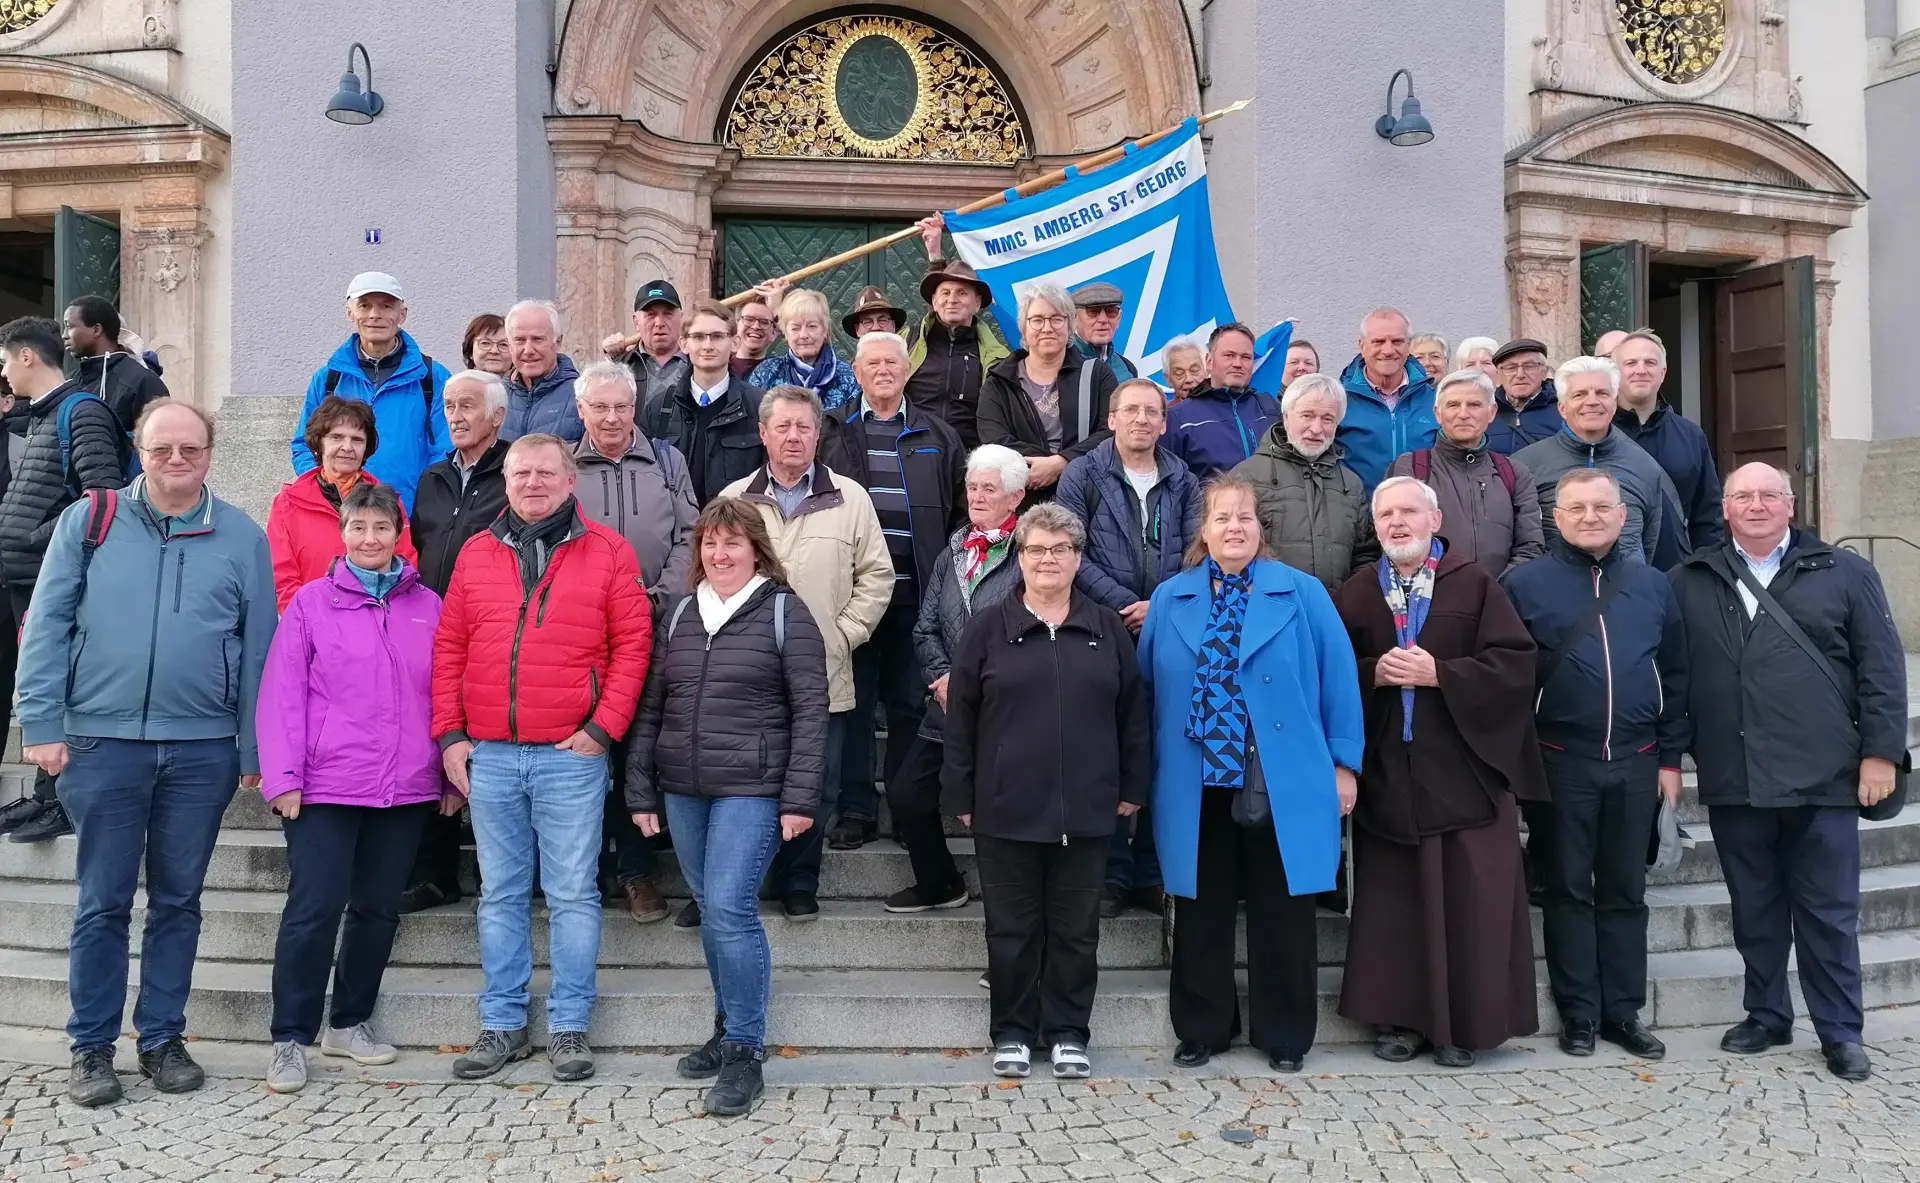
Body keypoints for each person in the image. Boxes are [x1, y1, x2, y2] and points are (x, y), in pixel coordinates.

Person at [15, 399, 276, 1108]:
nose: (176, 460)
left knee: (179, 900)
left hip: (201, 751)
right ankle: (91, 1046)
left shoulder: (242, 538)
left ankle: (161, 1037)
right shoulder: (90, 522)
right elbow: (46, 625)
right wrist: (39, 721)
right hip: (101, 744)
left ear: (209, 454)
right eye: (162, 449)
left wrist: (253, 744)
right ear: (140, 450)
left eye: (189, 448)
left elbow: (259, 654)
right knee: (101, 902)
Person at [1669, 463, 1906, 1083]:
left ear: (1790, 503)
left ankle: (1841, 1030)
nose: (1755, 504)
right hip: (1735, 772)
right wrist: (1671, 754)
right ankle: (1767, 1014)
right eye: (1742, 495)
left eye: (1768, 494)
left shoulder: (1845, 571)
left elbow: (1881, 669)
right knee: (1755, 908)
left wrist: (1882, 753)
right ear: (1724, 508)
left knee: (1828, 912)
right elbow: (1672, 678)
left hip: (1825, 773)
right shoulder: (1691, 578)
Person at [433, 434, 652, 1083]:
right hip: (492, 754)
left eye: (544, 472)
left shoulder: (608, 552)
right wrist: (449, 734)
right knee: (498, 894)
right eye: (522, 471)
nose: (531, 482)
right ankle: (502, 1023)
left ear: (569, 479)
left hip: (570, 755)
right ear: (508, 480)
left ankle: (568, 1026)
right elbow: (449, 646)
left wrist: (603, 727)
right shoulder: (477, 552)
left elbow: (634, 645)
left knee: (572, 894)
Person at [1138, 476, 1363, 1073]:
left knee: (1283, 909)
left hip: (1282, 778)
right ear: (1203, 531)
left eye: (1244, 518)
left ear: (1261, 529)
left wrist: (1345, 765)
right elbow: (1145, 692)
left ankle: (1285, 1033)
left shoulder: (1304, 593)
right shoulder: (1170, 598)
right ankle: (1202, 1027)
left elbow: (1340, 682)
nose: (1233, 527)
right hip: (1195, 781)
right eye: (1221, 518)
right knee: (1200, 908)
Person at [1332, 476, 1548, 1068]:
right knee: (1395, 907)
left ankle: (1464, 1028)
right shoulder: (1356, 592)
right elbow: (1331, 672)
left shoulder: (1475, 584)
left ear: (1435, 520)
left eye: (1408, 512)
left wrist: (1444, 676)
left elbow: (1515, 665)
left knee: (1468, 905)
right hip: (1390, 773)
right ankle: (1400, 1022)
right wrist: (1373, 673)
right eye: (1385, 516)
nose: (1397, 523)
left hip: (1465, 772)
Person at [627, 498, 830, 1117]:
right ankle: (726, 1026)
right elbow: (653, 706)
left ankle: (746, 1050)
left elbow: (811, 712)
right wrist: (640, 789)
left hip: (754, 788)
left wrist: (800, 797)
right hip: (684, 787)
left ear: (757, 551)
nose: (719, 555)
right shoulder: (683, 612)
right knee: (713, 910)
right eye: (710, 544)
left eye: (732, 544)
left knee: (730, 908)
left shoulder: (784, 613)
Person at [256, 482, 458, 1093]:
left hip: (404, 787)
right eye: (358, 528)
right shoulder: (312, 605)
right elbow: (281, 695)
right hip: (324, 786)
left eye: (381, 528)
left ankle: (348, 1022)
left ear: (400, 534)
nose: (370, 539)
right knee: (313, 909)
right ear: (342, 534)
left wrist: (448, 769)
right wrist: (283, 775)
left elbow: (447, 690)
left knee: (375, 909)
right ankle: (290, 1037)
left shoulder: (430, 606)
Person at [942, 503, 1148, 1081]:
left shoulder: (1106, 627)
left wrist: (1133, 784)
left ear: (1078, 559)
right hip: (1005, 807)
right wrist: (959, 792)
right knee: (1010, 930)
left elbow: (1133, 712)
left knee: (1076, 931)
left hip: (1088, 807)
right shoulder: (987, 626)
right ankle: (1011, 1031)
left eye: (1061, 550)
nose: (1049, 560)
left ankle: (1067, 1033)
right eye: (1037, 549)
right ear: (1020, 557)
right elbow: (962, 719)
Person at [1500, 469, 1687, 1062]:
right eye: (1575, 507)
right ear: (1556, 517)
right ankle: (1578, 1012)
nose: (1589, 517)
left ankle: (1624, 1013)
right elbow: (1506, 678)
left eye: (1601, 507)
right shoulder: (1523, 584)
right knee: (1568, 891)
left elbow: (1677, 674)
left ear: (1622, 514)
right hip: (1561, 761)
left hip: (1637, 760)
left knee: (1626, 892)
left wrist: (1671, 757)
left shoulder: (1653, 584)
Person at [719, 386, 892, 921]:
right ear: (764, 434)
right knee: (749, 783)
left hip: (825, 670)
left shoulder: (852, 498)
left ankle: (799, 881)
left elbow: (877, 578)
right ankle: (745, 882)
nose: (794, 436)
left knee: (816, 784)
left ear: (819, 435)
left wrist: (840, 637)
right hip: (748, 676)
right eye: (783, 427)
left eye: (804, 427)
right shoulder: (734, 499)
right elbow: (712, 574)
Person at [1055, 377, 1201, 916]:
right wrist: (1126, 604)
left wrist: (1159, 606)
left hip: (1173, 629)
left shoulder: (1183, 479)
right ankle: (1112, 874)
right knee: (1111, 749)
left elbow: (1196, 549)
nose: (1141, 419)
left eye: (1152, 411)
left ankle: (1153, 872)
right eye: (1130, 410)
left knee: (1164, 748)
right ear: (1111, 419)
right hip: (1103, 627)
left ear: (1164, 422)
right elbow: (1074, 548)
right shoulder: (1082, 474)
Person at [817, 332, 965, 850]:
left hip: (915, 598)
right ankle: (856, 809)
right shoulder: (830, 430)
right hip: (849, 597)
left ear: (907, 372)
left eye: (892, 362)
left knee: (908, 704)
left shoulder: (939, 435)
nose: (883, 370)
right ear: (855, 372)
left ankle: (905, 807)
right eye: (872, 362)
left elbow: (959, 516)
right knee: (854, 705)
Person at [571, 359, 698, 921]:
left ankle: (636, 871)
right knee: (583, 748)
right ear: (581, 410)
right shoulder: (564, 465)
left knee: (637, 748)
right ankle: (583, 869)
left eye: (622, 406)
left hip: (652, 622)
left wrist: (655, 598)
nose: (613, 417)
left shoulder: (666, 460)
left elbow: (692, 533)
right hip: (582, 629)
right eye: (600, 407)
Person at [886, 445, 1028, 914]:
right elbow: (925, 625)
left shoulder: (1031, 552)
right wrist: (943, 676)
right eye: (972, 487)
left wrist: (980, 685)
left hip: (1004, 711)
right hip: (948, 703)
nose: (977, 495)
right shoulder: (953, 550)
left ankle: (1010, 926)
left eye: (990, 487)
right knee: (907, 796)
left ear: (1016, 496)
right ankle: (941, 883)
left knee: (995, 818)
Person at [0, 316, 126, 846]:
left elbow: (101, 497)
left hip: (47, 577)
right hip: (24, 576)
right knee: (37, 686)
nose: (3, 372)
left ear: (27, 356)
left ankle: (62, 801)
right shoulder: (43, 416)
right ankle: (45, 793)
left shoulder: (81, 411)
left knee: (57, 686)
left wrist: (36, 538)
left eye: (6, 360)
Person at [400, 369, 511, 914]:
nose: (455, 416)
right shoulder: (433, 477)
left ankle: (508, 874)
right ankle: (435, 871)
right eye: (448, 406)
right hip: (433, 631)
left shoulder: (516, 473)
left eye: (467, 405)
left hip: (495, 634)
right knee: (434, 744)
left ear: (498, 415)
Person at [291, 272, 451, 510]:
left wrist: (425, 504)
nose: (375, 315)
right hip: (339, 514)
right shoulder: (327, 380)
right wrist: (329, 493)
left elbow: (446, 451)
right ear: (350, 314)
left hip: (409, 517)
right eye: (365, 306)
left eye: (386, 306)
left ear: (402, 314)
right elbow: (303, 446)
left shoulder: (433, 378)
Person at [1514, 356, 1678, 567]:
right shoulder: (1525, 465)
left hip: (1624, 592)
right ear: (1562, 408)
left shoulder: (1644, 466)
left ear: (1614, 402)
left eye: (1602, 393)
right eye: (1579, 394)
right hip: (1551, 595)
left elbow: (1649, 542)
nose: (1592, 401)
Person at [266, 395, 418, 612]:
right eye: (337, 437)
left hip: (373, 623)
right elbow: (281, 577)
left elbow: (404, 568)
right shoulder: (287, 503)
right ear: (319, 443)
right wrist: (311, 623)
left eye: (357, 439)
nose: (347, 447)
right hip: (310, 624)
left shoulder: (389, 502)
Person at [1384, 369, 1544, 575]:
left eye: (1474, 405)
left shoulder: (1514, 472)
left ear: (1492, 412)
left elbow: (1530, 546)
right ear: (1437, 414)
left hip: (1501, 600)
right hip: (1432, 600)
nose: (1463, 414)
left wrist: (1493, 592)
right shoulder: (1411, 468)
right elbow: (1395, 542)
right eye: (1453, 405)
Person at [1231, 373, 1380, 593]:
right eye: (1307, 416)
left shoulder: (1350, 484)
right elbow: (1228, 553)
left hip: (1333, 616)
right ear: (1285, 417)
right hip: (1268, 615)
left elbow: (1365, 555)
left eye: (1327, 419)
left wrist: (1350, 601)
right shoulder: (1246, 477)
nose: (1316, 428)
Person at [976, 283, 1117, 501]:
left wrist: (1062, 462)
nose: (1047, 328)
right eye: (1037, 320)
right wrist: (1040, 465)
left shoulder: (1098, 375)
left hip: (1088, 495)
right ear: (1023, 327)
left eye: (1056, 318)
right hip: (1024, 498)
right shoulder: (998, 383)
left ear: (1070, 325)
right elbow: (994, 440)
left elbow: (1111, 431)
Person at [1612, 330, 1724, 562]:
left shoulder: (1691, 435)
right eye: (1630, 363)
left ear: (1662, 373)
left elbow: (1708, 515)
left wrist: (1705, 570)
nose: (1640, 370)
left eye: (1650, 363)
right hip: (1610, 574)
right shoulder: (1596, 432)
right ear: (1615, 373)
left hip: (1676, 572)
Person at [644, 300, 767, 507]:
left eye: (717, 337)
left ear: (735, 343)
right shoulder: (659, 409)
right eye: (698, 337)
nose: (707, 346)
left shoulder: (758, 406)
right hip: (675, 533)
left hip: (737, 530)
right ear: (684, 344)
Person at [909, 214, 1012, 446]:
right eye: (945, 293)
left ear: (977, 304)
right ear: (934, 302)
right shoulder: (908, 342)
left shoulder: (997, 358)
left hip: (970, 458)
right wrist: (934, 254)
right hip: (912, 451)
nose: (952, 300)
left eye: (962, 293)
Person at [1334, 307, 1436, 492]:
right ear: (1362, 346)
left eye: (1397, 341)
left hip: (1421, 514)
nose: (1388, 350)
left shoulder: (1435, 400)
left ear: (1408, 346)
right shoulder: (1337, 400)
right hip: (1358, 515)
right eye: (1378, 342)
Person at [1164, 323, 1280, 480]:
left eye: (1245, 357)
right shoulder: (1178, 418)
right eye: (1229, 355)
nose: (1238, 364)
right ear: (1209, 361)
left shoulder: (1270, 408)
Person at [63, 295, 168, 434]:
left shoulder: (143, 381)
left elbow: (161, 440)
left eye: (69, 327)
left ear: (96, 330)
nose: (64, 335)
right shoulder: (71, 382)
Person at [749, 289, 861, 413]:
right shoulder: (766, 373)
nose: (803, 335)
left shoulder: (849, 377)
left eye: (812, 326)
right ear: (785, 333)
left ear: (825, 331)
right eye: (795, 328)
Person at [501, 300, 583, 443]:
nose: (528, 350)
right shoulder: (496, 397)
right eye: (519, 340)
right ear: (509, 345)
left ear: (558, 342)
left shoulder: (581, 396)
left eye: (538, 339)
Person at [600, 279, 690, 408]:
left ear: (681, 318)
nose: (659, 323)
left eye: (668, 314)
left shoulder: (698, 363)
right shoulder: (620, 367)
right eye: (651, 315)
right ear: (636, 322)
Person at [1483, 338, 1565, 454]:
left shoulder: (1563, 411)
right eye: (1511, 368)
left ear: (1544, 372)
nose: (1520, 375)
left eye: (1529, 366)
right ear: (1499, 376)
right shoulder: (1486, 410)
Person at [1070, 281, 1139, 385]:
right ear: (1074, 318)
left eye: (1111, 311)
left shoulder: (1127, 368)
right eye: (1093, 312)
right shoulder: (1060, 364)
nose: (1103, 319)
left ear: (1119, 319)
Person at [730, 289, 782, 381]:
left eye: (764, 322)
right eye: (749, 319)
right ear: (736, 325)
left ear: (774, 333)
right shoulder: (718, 368)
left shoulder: (782, 371)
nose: (756, 326)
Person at [842, 286, 907, 339]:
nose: (876, 327)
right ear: (857, 329)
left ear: (893, 326)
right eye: (867, 322)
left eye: (882, 320)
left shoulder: (905, 355)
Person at [1161, 336, 1208, 403]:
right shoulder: (1166, 413)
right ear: (1168, 380)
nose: (1188, 379)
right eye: (1179, 373)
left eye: (1194, 370)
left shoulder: (1225, 408)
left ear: (1207, 370)